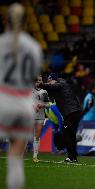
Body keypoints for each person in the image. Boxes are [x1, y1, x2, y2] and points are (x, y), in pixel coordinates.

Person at [0, 3, 42, 189]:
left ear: (5, 20)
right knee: (16, 159)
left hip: (4, 101)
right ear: (26, 23)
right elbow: (32, 77)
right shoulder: (34, 47)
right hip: (24, 104)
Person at [38, 73, 82, 163]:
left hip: (72, 112)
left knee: (67, 134)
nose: (49, 83)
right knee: (71, 136)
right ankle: (73, 158)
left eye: (50, 81)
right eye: (48, 81)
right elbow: (49, 93)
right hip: (73, 112)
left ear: (55, 80)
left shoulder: (61, 83)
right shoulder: (60, 86)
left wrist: (42, 84)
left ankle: (71, 157)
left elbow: (53, 87)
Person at [32, 75, 49, 163]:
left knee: (37, 136)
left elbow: (48, 104)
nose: (39, 82)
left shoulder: (44, 91)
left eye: (40, 80)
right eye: (37, 80)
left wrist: (43, 105)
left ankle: (35, 156)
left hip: (40, 116)